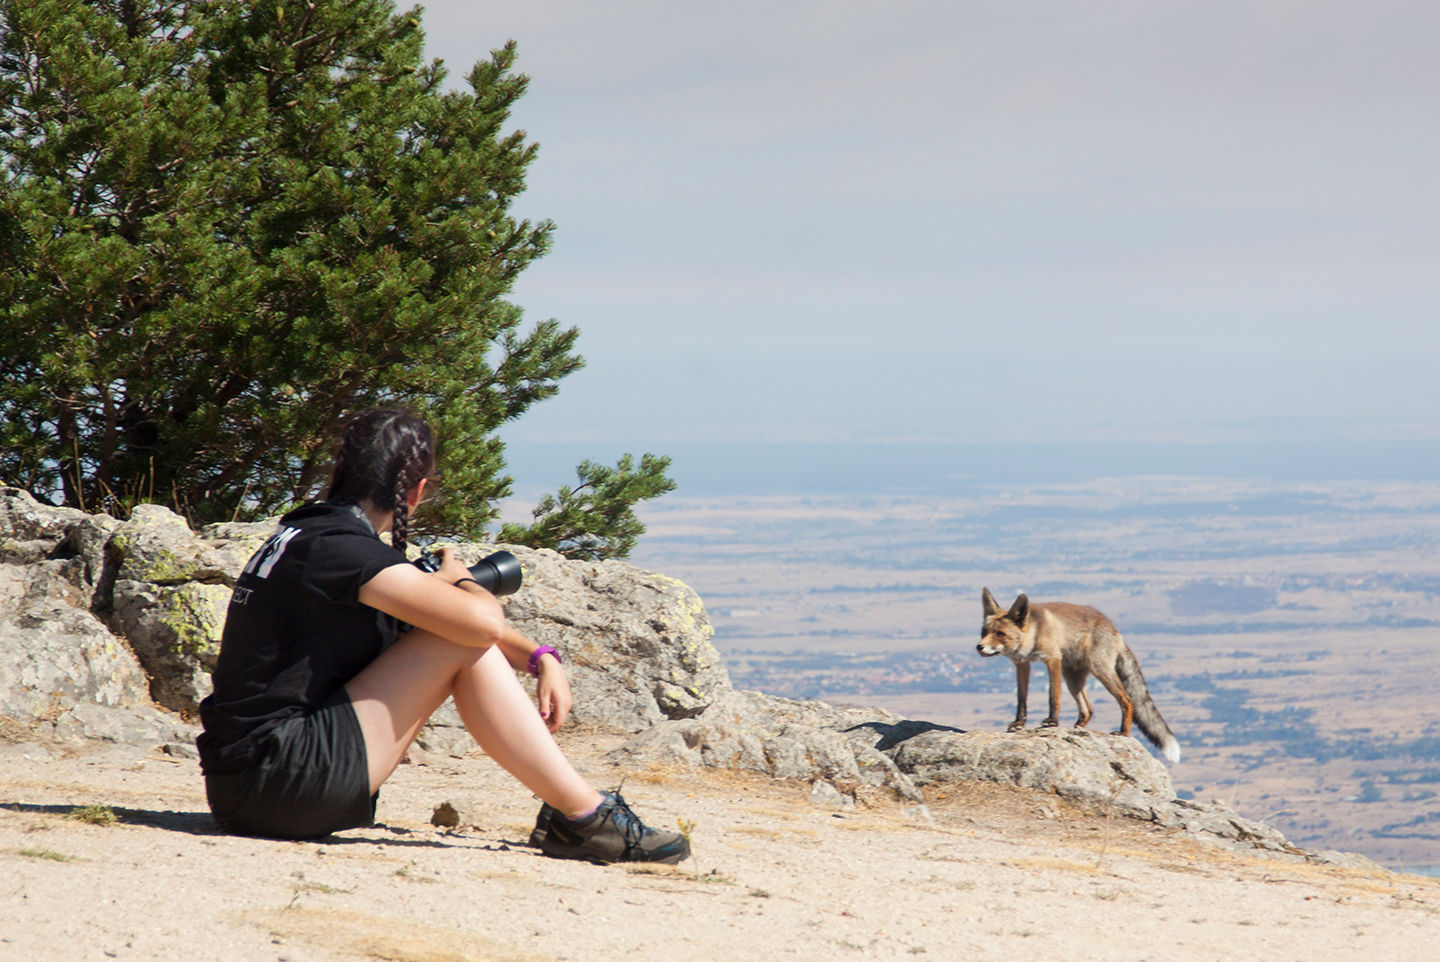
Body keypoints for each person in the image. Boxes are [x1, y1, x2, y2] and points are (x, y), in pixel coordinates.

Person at [196, 408, 689, 864]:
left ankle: (581, 815)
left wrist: (542, 656)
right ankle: (587, 818)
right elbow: (479, 627)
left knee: (457, 636)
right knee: (462, 639)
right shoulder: (343, 553)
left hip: (251, 785)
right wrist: (460, 579)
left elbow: (446, 622)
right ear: (416, 490)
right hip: (280, 786)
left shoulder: (311, 538)